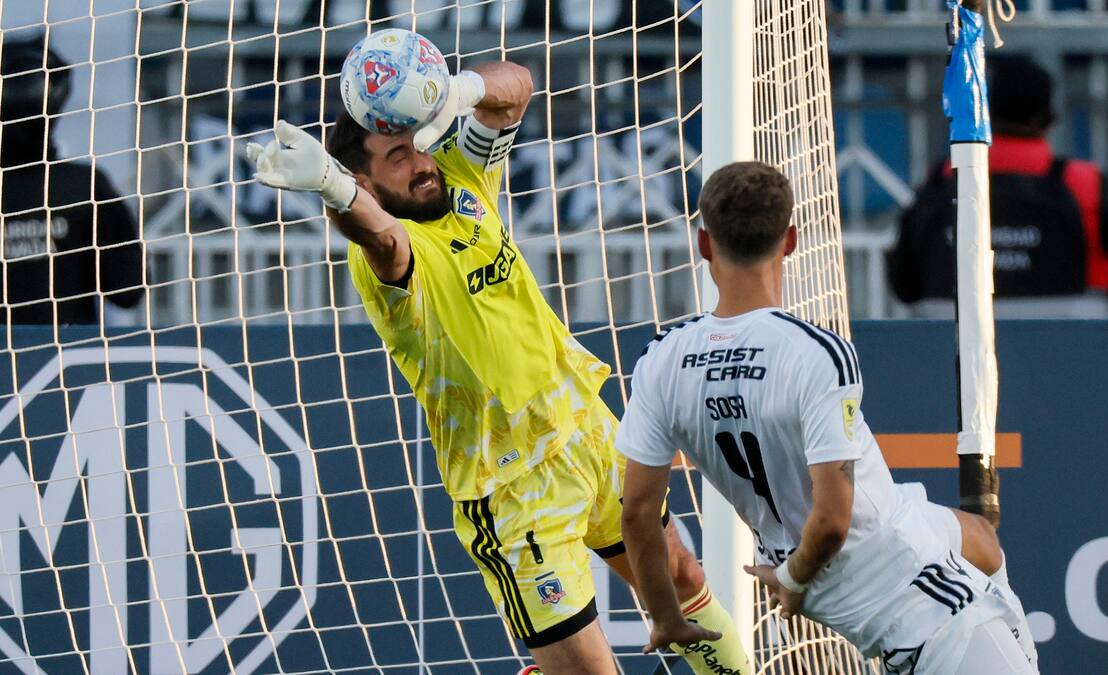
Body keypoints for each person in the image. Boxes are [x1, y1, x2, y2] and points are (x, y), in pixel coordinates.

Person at [245, 43, 751, 675]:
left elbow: (514, 90)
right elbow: (378, 232)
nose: (421, 162)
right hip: (509, 484)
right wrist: (333, 188)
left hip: (582, 431)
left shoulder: (460, 176)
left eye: (419, 142)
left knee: (680, 576)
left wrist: (449, 94)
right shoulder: (385, 262)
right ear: (366, 180)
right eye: (398, 158)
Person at [617, 161, 1039, 674]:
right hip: (934, 618)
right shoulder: (816, 351)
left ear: (704, 245)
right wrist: (791, 581)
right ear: (791, 240)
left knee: (981, 538)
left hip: (891, 546)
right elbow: (833, 520)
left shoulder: (661, 359)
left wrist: (665, 616)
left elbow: (638, 512)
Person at [889, 57, 1108, 319]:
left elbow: (904, 285)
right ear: (1049, 117)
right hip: (1072, 349)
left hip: (956, 352)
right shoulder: (1085, 184)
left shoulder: (944, 179)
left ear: (986, 113)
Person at [0, 36, 145, 324]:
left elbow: (127, 290)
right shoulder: (84, 187)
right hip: (65, 361)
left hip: (63, 360)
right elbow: (128, 289)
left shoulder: (84, 188)